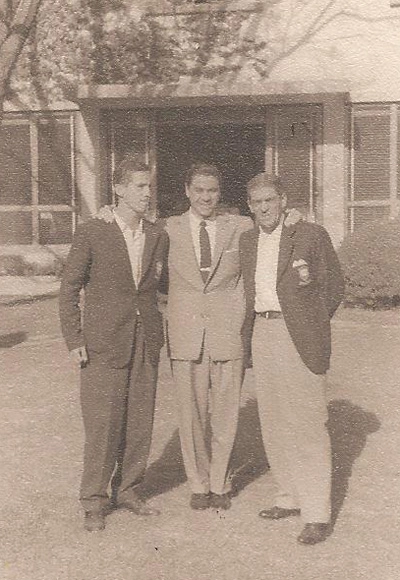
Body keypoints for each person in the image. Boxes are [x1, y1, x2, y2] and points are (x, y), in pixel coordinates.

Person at [59, 155, 168, 532]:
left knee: (140, 422)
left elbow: (158, 287)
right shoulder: (94, 230)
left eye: (149, 186)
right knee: (103, 424)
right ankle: (93, 499)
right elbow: (69, 288)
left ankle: (130, 490)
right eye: (138, 186)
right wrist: (75, 339)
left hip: (146, 340)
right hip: (103, 343)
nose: (146, 193)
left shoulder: (157, 234)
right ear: (118, 189)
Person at [239, 172, 344, 545]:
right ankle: (289, 496)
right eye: (256, 202)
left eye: (269, 200)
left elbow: (333, 286)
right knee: (274, 420)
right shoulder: (248, 240)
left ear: (282, 200)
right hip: (262, 333)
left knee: (308, 422)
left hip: (298, 334)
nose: (263, 207)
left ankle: (317, 512)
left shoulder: (310, 234)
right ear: (249, 207)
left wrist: (309, 323)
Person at [165, 163, 253, 511]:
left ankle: (220, 481)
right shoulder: (167, 229)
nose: (205, 197)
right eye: (199, 190)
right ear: (187, 190)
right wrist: (106, 210)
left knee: (226, 414)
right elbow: (124, 224)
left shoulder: (240, 226)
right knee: (191, 416)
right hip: (186, 335)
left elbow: (273, 222)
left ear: (220, 193)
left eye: (212, 191)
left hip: (227, 332)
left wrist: (291, 215)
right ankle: (198, 483)